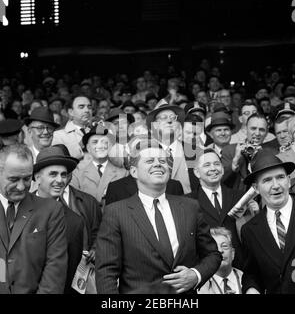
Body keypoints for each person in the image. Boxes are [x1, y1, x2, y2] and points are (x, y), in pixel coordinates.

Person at [95, 139, 221, 294]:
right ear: (134, 171)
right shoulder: (116, 212)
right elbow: (106, 272)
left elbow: (212, 254)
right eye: (149, 161)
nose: (158, 164)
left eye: (162, 161)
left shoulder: (190, 207)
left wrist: (196, 275)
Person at [0, 144, 68, 293]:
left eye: (26, 179)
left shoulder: (51, 211)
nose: (21, 186)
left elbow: (55, 267)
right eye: (13, 179)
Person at [241, 150, 295, 294]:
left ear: (289, 180)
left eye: (280, 177)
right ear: (256, 188)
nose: (275, 185)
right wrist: (251, 289)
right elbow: (252, 274)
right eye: (267, 180)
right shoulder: (250, 230)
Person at [33, 146, 84, 293]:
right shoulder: (16, 209)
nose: (60, 180)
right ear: (37, 177)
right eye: (53, 174)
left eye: (63, 175)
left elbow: (70, 275)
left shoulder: (74, 222)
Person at [71, 122, 128, 205]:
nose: (100, 146)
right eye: (95, 142)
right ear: (88, 148)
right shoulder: (77, 174)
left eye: (105, 142)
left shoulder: (123, 173)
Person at [146, 101, 191, 193]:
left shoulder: (193, 151)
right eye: (163, 118)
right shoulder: (144, 152)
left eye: (173, 118)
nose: (170, 121)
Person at [221, 113, 271, 191]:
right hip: (235, 199)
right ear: (245, 129)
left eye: (261, 130)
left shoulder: (271, 154)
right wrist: (235, 161)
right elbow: (220, 180)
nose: (257, 133)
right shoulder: (229, 150)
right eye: (253, 128)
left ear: (266, 133)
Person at [198, 227, 243, 294]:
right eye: (215, 248)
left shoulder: (246, 279)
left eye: (224, 246)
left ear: (233, 253)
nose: (220, 251)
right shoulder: (200, 287)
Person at [52, 95, 92, 160]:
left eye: (89, 107)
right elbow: (60, 160)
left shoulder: (98, 130)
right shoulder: (58, 135)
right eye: (81, 107)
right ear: (71, 112)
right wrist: (81, 144)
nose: (87, 110)